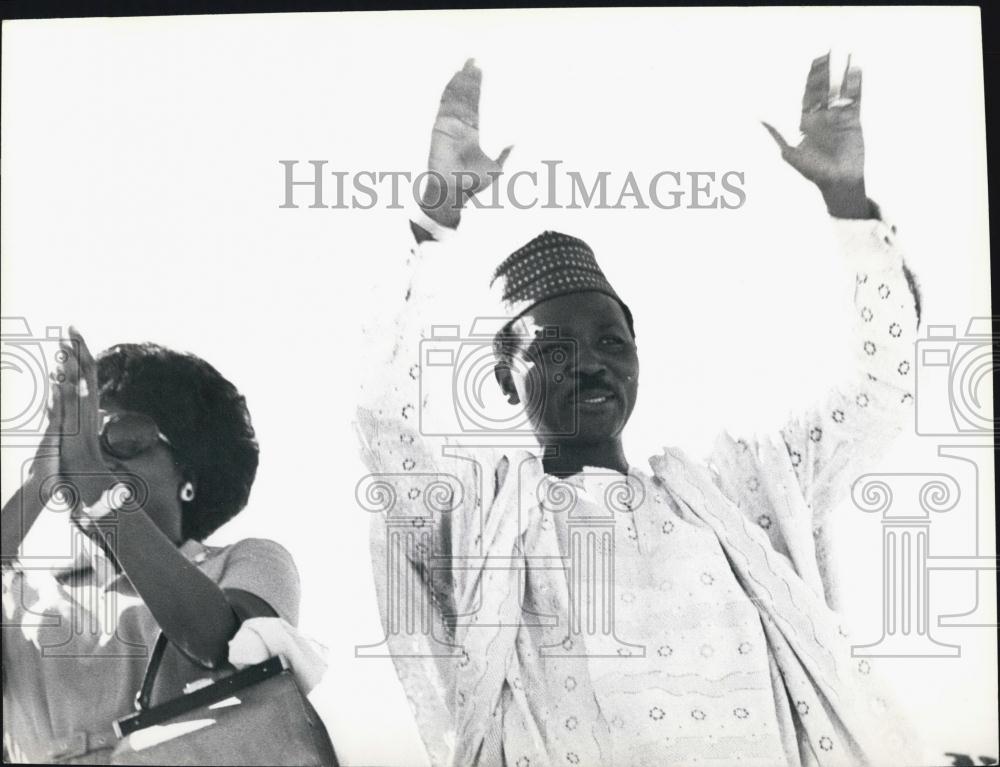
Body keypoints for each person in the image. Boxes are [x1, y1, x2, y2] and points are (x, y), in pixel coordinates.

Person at [357, 56, 923, 766]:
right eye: (556, 349)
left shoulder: (734, 495)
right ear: (506, 380)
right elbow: (383, 419)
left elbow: (881, 393)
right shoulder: (475, 522)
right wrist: (435, 215)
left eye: (610, 341)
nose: (592, 362)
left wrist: (850, 208)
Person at [1, 331, 314, 764]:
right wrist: (39, 484)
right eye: (84, 438)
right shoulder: (25, 596)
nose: (93, 453)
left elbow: (223, 645)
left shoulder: (246, 562)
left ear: (189, 474)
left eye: (124, 438)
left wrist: (96, 482)